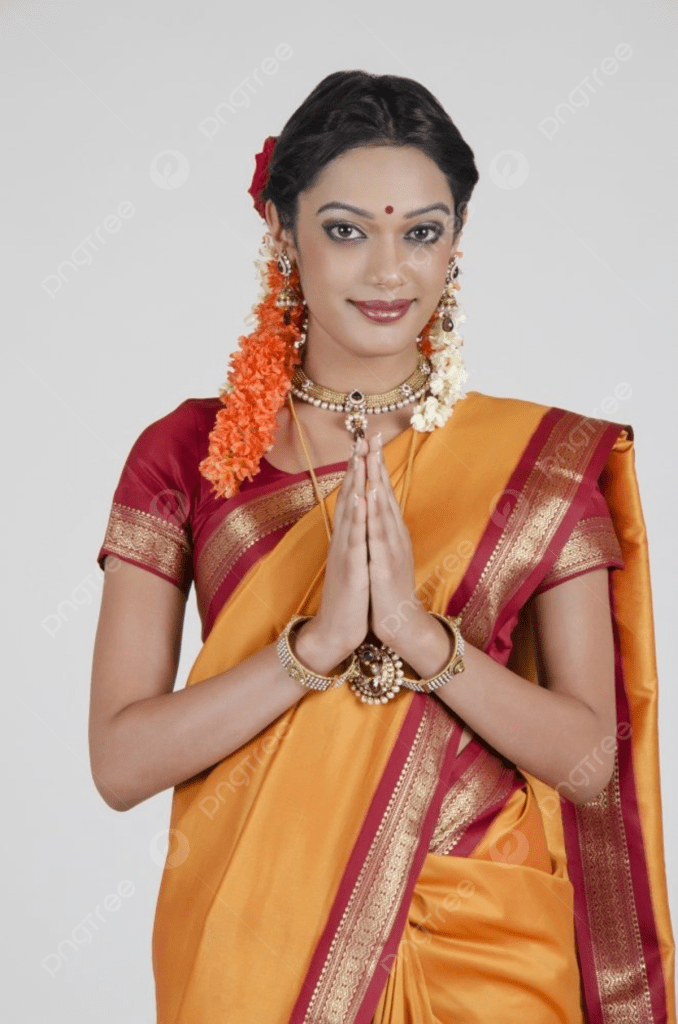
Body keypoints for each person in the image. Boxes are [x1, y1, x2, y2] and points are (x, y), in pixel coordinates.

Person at [89, 71, 675, 1023]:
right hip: (258, 942)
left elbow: (586, 761)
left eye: (423, 232)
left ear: (458, 239)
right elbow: (121, 763)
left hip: (482, 954)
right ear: (283, 231)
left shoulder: (539, 463)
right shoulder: (184, 454)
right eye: (348, 230)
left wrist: (416, 634)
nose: (390, 271)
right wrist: (315, 648)